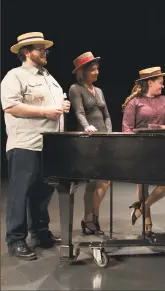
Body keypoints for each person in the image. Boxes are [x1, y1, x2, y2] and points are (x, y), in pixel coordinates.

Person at [0, 32, 70, 260]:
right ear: (27, 52)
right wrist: (45, 111)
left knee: (43, 192)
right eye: (40, 49)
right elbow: (11, 106)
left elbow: (52, 105)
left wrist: (62, 105)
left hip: (49, 144)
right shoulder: (15, 76)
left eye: (46, 49)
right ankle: (15, 239)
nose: (45, 52)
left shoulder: (49, 77)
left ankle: (40, 233)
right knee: (20, 193)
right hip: (26, 143)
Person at [122, 66, 165, 236]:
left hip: (162, 148)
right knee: (143, 182)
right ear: (150, 82)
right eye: (160, 83)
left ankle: (142, 207)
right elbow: (126, 128)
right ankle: (147, 221)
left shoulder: (164, 99)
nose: (162, 86)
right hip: (141, 149)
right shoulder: (134, 103)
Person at [68, 51, 112, 235]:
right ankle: (90, 219)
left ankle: (89, 218)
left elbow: (107, 115)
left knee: (103, 180)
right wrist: (87, 127)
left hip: (103, 139)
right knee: (95, 181)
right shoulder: (75, 89)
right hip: (88, 139)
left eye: (97, 70)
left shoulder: (99, 90)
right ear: (82, 72)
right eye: (92, 70)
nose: (96, 73)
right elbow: (79, 113)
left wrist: (109, 133)